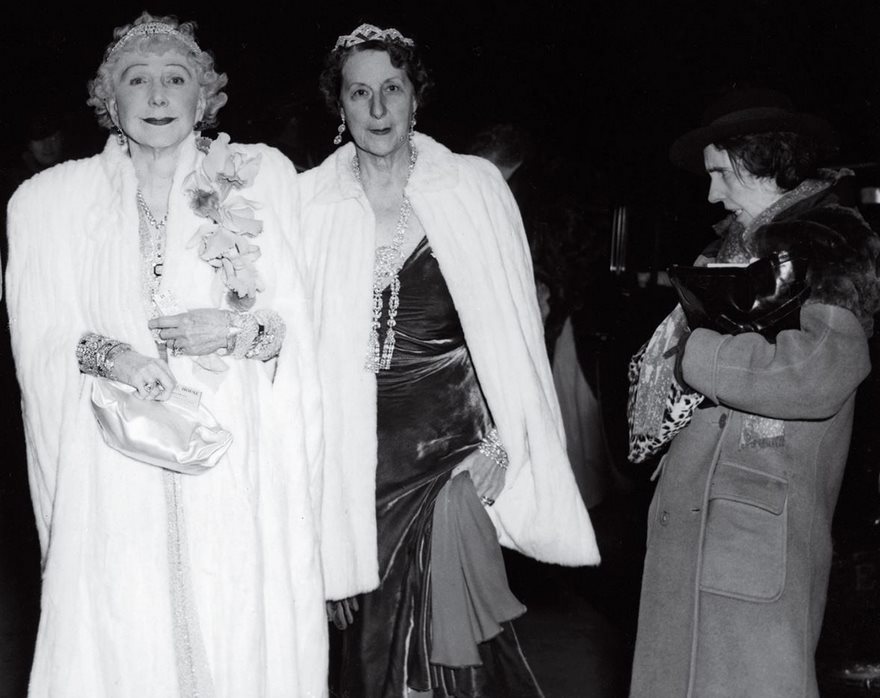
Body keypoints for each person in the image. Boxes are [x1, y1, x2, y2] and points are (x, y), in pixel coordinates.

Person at [5, 13, 326, 697]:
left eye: (176, 80)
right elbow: (42, 335)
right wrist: (108, 355)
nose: (157, 96)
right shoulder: (51, 202)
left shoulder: (260, 178)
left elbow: (293, 327)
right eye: (137, 80)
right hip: (112, 468)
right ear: (108, 101)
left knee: (234, 627)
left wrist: (233, 330)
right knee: (123, 636)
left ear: (203, 99)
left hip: (231, 469)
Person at [297, 23, 599, 698]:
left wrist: (500, 440)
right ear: (338, 106)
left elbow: (514, 336)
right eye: (359, 92)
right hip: (352, 470)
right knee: (363, 653)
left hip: (450, 458)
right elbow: (292, 369)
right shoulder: (303, 204)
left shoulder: (472, 191)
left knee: (446, 664)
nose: (378, 110)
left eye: (393, 89)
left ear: (416, 98)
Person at [628, 87, 880, 697]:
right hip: (706, 524)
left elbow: (819, 371)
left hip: (754, 533)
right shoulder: (733, 249)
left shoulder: (828, 245)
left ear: (764, 160)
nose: (711, 193)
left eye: (721, 173)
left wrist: (696, 355)